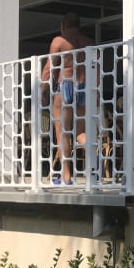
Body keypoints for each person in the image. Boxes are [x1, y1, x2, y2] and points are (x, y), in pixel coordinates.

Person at [40, 12, 93, 185]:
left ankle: (66, 177)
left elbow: (49, 67)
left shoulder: (59, 41)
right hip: (83, 87)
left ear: (63, 25)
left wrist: (42, 90)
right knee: (80, 133)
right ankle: (96, 159)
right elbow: (96, 68)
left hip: (65, 86)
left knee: (62, 133)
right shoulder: (88, 42)